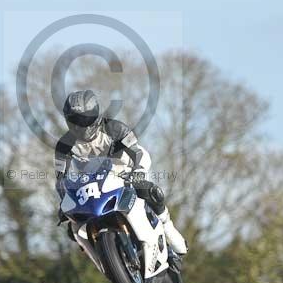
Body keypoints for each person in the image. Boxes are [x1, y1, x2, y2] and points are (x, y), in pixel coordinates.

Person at [54, 89, 188, 255]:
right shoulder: (64, 145)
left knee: (149, 190)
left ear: (96, 115)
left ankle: (168, 227)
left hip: (123, 170)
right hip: (90, 183)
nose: (80, 125)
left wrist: (137, 171)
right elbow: (61, 179)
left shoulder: (115, 128)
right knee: (72, 226)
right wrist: (63, 201)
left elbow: (137, 153)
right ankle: (101, 260)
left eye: (84, 119)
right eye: (75, 120)